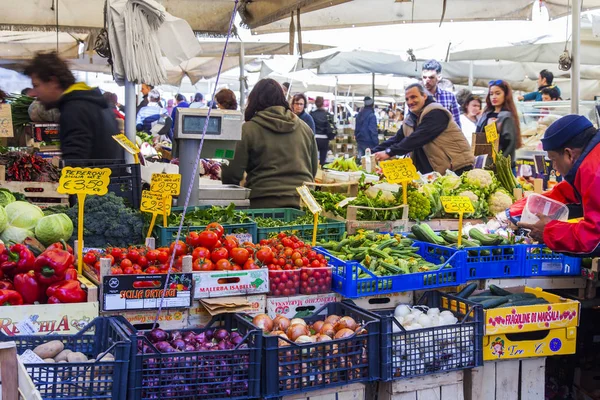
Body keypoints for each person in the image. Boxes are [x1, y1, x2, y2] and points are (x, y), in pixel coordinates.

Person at [222, 78, 318, 209]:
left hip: (263, 204)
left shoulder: (248, 130)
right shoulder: (306, 129)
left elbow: (231, 173)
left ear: (254, 100)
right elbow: (312, 169)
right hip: (302, 204)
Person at [511, 115, 600, 256]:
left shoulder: (594, 170)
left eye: (553, 159)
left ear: (569, 154)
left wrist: (548, 232)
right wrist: (514, 211)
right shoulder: (592, 158)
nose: (554, 166)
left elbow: (594, 238)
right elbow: (566, 193)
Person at [23, 52, 122, 161]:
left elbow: (75, 161)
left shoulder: (74, 110)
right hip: (109, 176)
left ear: (53, 81)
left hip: (96, 177)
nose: (35, 93)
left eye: (36, 85)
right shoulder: (93, 102)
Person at [373, 83, 474, 175]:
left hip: (456, 168)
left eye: (413, 97)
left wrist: (389, 152)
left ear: (424, 96)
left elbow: (418, 137)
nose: (410, 102)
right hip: (432, 173)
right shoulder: (410, 120)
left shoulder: (436, 112)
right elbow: (397, 139)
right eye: (407, 99)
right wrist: (374, 152)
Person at [476, 80, 522, 167]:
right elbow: (478, 138)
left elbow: (508, 144)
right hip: (483, 162)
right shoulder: (485, 115)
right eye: (491, 94)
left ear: (505, 95)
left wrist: (491, 129)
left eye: (498, 93)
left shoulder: (507, 117)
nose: (494, 97)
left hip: (499, 166)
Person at [420, 59, 461, 127]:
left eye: (431, 77)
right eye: (424, 77)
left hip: (444, 135)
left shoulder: (449, 97)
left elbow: (456, 123)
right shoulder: (416, 96)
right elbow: (408, 123)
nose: (427, 81)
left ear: (439, 77)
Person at [311, 96, 335, 166]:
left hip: (314, 138)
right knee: (323, 159)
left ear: (315, 103)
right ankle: (321, 171)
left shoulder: (312, 114)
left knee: (313, 159)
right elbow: (331, 126)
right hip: (325, 139)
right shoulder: (327, 115)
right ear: (323, 103)